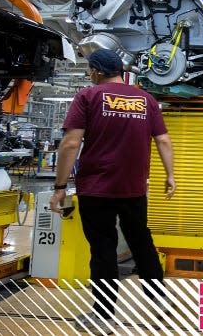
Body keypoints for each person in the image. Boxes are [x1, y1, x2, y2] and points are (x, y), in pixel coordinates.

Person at [49, 49, 176, 332]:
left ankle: (103, 315)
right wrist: (170, 175)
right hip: (133, 189)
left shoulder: (87, 97)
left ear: (96, 71)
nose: (88, 75)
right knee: (142, 243)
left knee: (103, 249)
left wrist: (59, 187)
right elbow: (164, 141)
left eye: (89, 71)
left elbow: (70, 144)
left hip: (96, 189)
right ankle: (160, 301)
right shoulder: (147, 99)